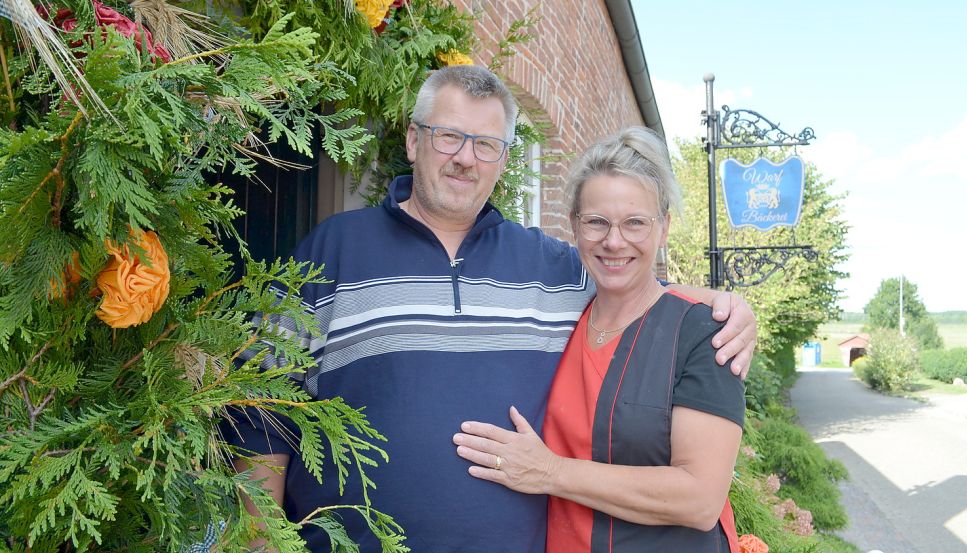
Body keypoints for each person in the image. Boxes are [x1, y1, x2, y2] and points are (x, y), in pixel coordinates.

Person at [223, 66, 756, 553]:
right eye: (449, 135)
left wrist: (728, 308)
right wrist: (261, 537)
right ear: (414, 140)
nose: (464, 157)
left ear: (503, 159)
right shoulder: (330, 251)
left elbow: (636, 286)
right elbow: (262, 409)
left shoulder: (554, 268)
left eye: (486, 144)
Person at [453, 127, 745, 552]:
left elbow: (700, 498)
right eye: (596, 222)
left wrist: (549, 472)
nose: (613, 241)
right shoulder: (560, 314)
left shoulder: (701, 332)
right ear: (574, 225)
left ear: (663, 227)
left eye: (635, 224)